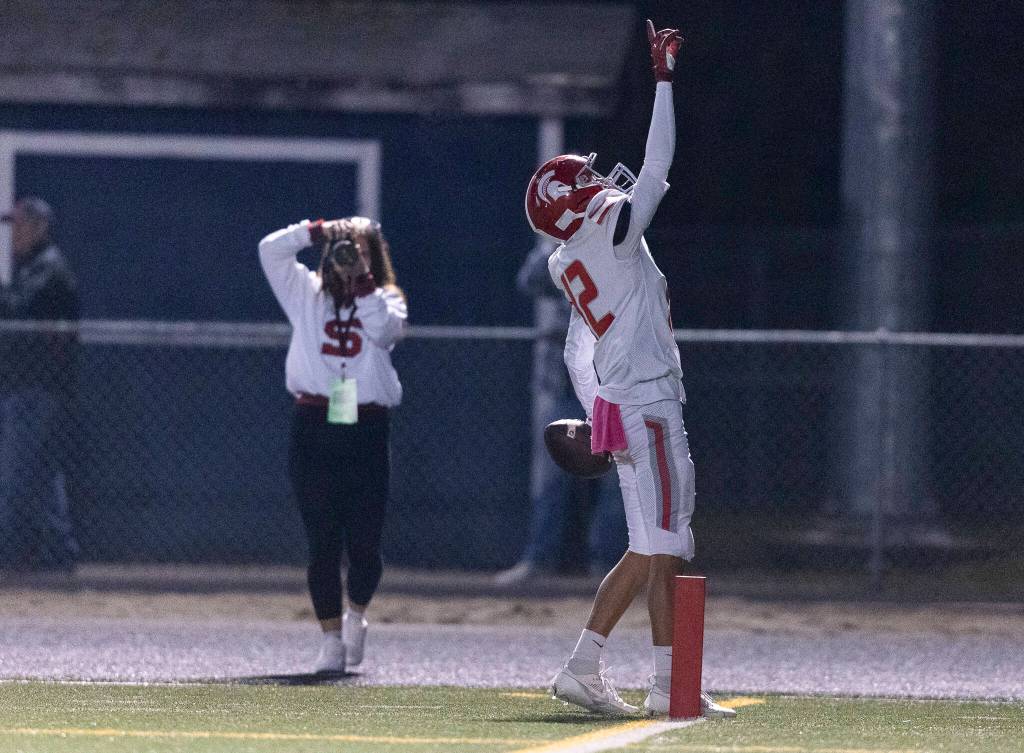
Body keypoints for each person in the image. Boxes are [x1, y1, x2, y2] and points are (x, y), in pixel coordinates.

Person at [524, 21, 735, 718]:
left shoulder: (566, 256)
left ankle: (588, 667)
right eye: (580, 179)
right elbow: (658, 166)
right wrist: (665, 81)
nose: (593, 178)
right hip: (647, 403)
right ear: (570, 204)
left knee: (649, 549)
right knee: (670, 545)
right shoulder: (608, 230)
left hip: (623, 404)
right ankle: (671, 688)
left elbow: (581, 336)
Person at [259, 215, 406, 674]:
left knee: (365, 545)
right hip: (314, 425)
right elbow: (270, 248)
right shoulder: (305, 292)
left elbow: (384, 331)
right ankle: (328, 639)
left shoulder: (387, 299)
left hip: (365, 427)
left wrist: (361, 278)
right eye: (343, 248)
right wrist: (320, 229)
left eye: (358, 247)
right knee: (322, 542)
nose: (347, 253)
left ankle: (356, 614)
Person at [494, 239, 626, 585]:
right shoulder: (564, 249)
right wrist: (564, 239)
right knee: (554, 474)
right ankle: (539, 560)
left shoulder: (620, 243)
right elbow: (530, 280)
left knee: (617, 478)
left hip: (612, 383)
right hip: (564, 384)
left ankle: (606, 566)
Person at [0, 197, 79, 573]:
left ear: (37, 227)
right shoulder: (31, 268)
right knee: (43, 472)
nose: (12, 234)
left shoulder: (49, 270)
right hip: (27, 388)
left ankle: (13, 552)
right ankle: (59, 550)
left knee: (18, 472)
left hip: (38, 390)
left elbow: (17, 311)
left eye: (18, 225)